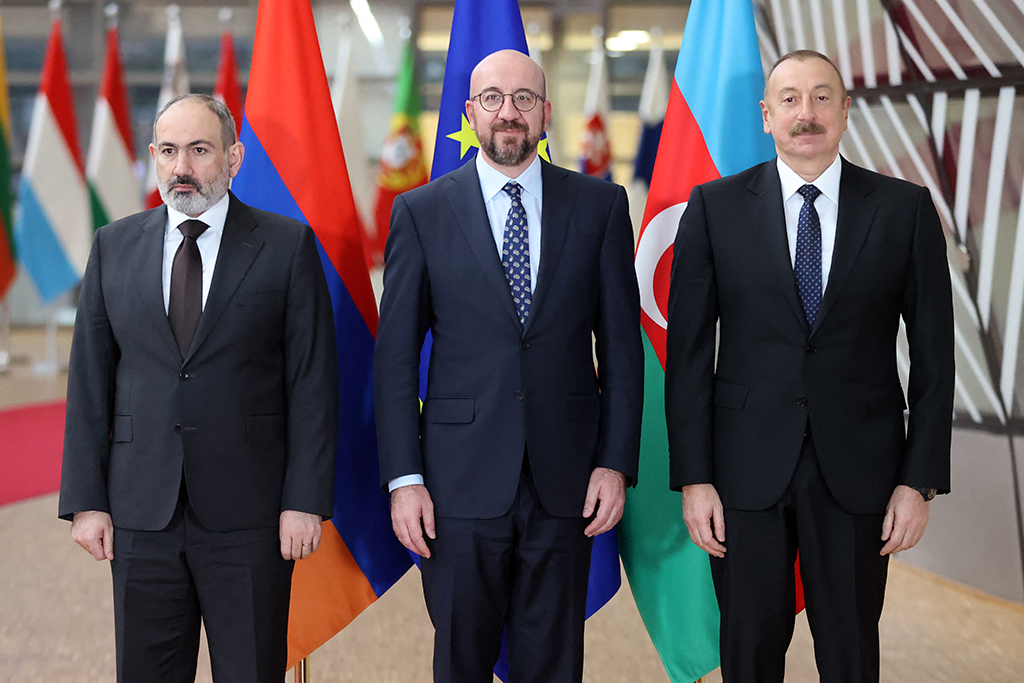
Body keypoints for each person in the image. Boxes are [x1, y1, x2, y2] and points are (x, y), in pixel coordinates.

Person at [665, 50, 954, 682]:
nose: (807, 113)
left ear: (846, 111)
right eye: (790, 99)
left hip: (862, 471)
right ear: (766, 116)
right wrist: (694, 478)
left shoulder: (904, 210)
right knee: (748, 651)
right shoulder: (713, 208)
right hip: (741, 473)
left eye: (823, 97)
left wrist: (920, 480)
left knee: (850, 653)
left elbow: (936, 358)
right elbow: (687, 357)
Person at [373, 49, 643, 683]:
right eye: (492, 99)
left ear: (545, 113)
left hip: (566, 482)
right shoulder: (421, 212)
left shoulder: (600, 207)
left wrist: (614, 463)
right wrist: (403, 480)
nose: (509, 113)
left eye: (524, 99)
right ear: (471, 113)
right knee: (461, 661)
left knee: (553, 665)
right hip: (455, 485)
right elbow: (394, 360)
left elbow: (622, 351)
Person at [58, 94, 338, 683]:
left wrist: (304, 499)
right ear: (154, 158)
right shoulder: (114, 245)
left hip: (252, 516)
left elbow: (312, 382)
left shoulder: (286, 246)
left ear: (233, 158)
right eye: (167, 151)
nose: (180, 167)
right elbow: (89, 380)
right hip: (141, 511)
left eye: (199, 150)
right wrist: (86, 500)